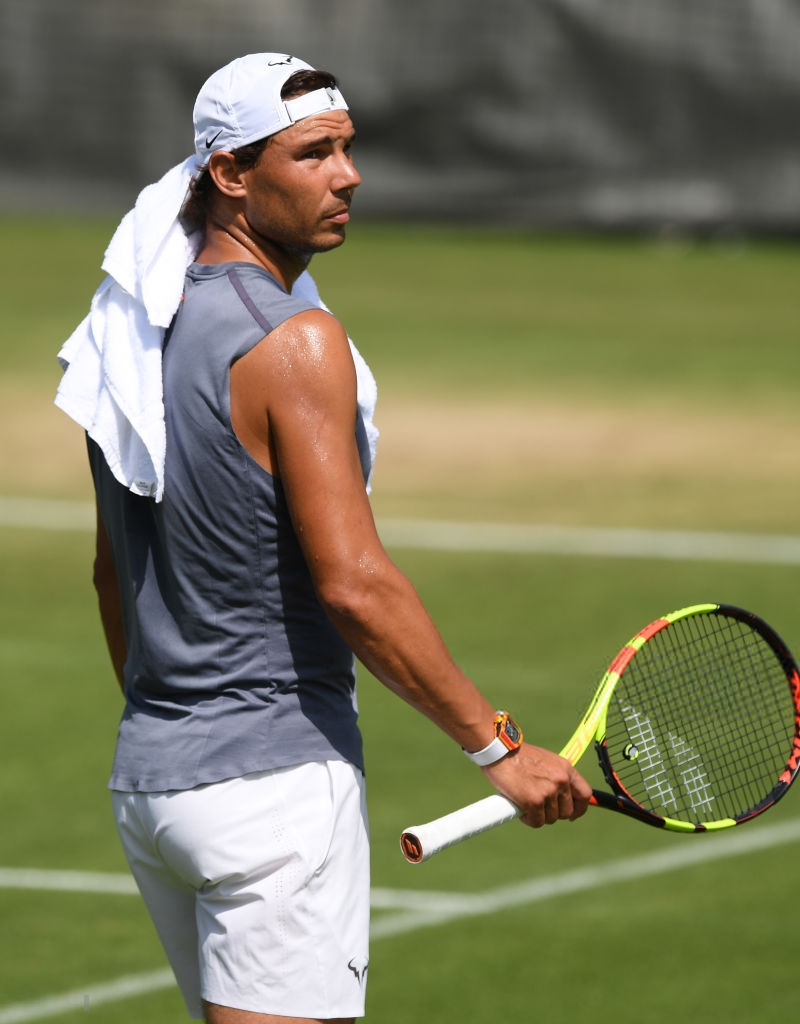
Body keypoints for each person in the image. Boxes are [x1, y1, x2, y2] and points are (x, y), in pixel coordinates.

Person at [56, 52, 591, 1024]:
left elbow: (110, 576)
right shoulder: (296, 342)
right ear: (230, 173)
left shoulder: (128, 332)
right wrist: (498, 748)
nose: (347, 176)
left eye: (346, 149)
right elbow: (355, 584)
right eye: (312, 154)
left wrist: (179, 729)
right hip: (272, 793)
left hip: (155, 784)